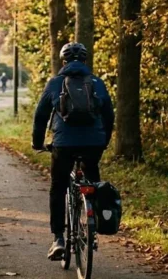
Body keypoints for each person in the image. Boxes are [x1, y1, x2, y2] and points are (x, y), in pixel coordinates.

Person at [31, 42, 114, 261]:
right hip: (93, 144)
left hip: (64, 144)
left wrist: (38, 143)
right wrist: (104, 141)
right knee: (92, 182)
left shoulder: (55, 83)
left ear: (63, 61)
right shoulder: (98, 83)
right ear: (85, 61)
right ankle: (94, 223)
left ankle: (58, 238)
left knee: (58, 188)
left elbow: (40, 116)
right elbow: (109, 116)